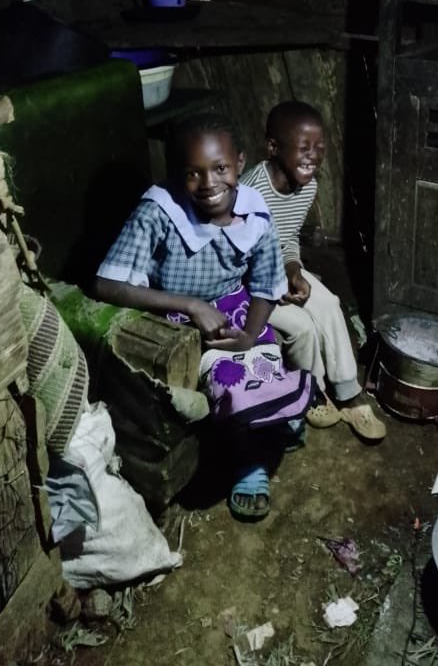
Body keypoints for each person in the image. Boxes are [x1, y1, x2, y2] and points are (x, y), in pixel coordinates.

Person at [93, 112, 316, 521]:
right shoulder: (158, 211)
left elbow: (266, 282)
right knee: (224, 375)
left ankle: (271, 416)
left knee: (262, 359)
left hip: (235, 305)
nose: (209, 183)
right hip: (173, 314)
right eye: (193, 173)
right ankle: (248, 466)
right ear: (178, 174)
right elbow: (107, 285)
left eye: (220, 169)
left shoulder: (254, 209)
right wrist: (192, 306)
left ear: (240, 163)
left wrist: (251, 334)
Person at [241, 101, 386, 441]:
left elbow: (288, 236)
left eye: (319, 148)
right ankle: (313, 391)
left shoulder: (308, 186)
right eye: (303, 147)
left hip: (279, 270)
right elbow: (235, 258)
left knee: (330, 304)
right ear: (273, 147)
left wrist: (293, 269)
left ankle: (348, 391)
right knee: (302, 325)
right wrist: (275, 287)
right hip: (248, 284)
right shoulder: (250, 193)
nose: (313, 156)